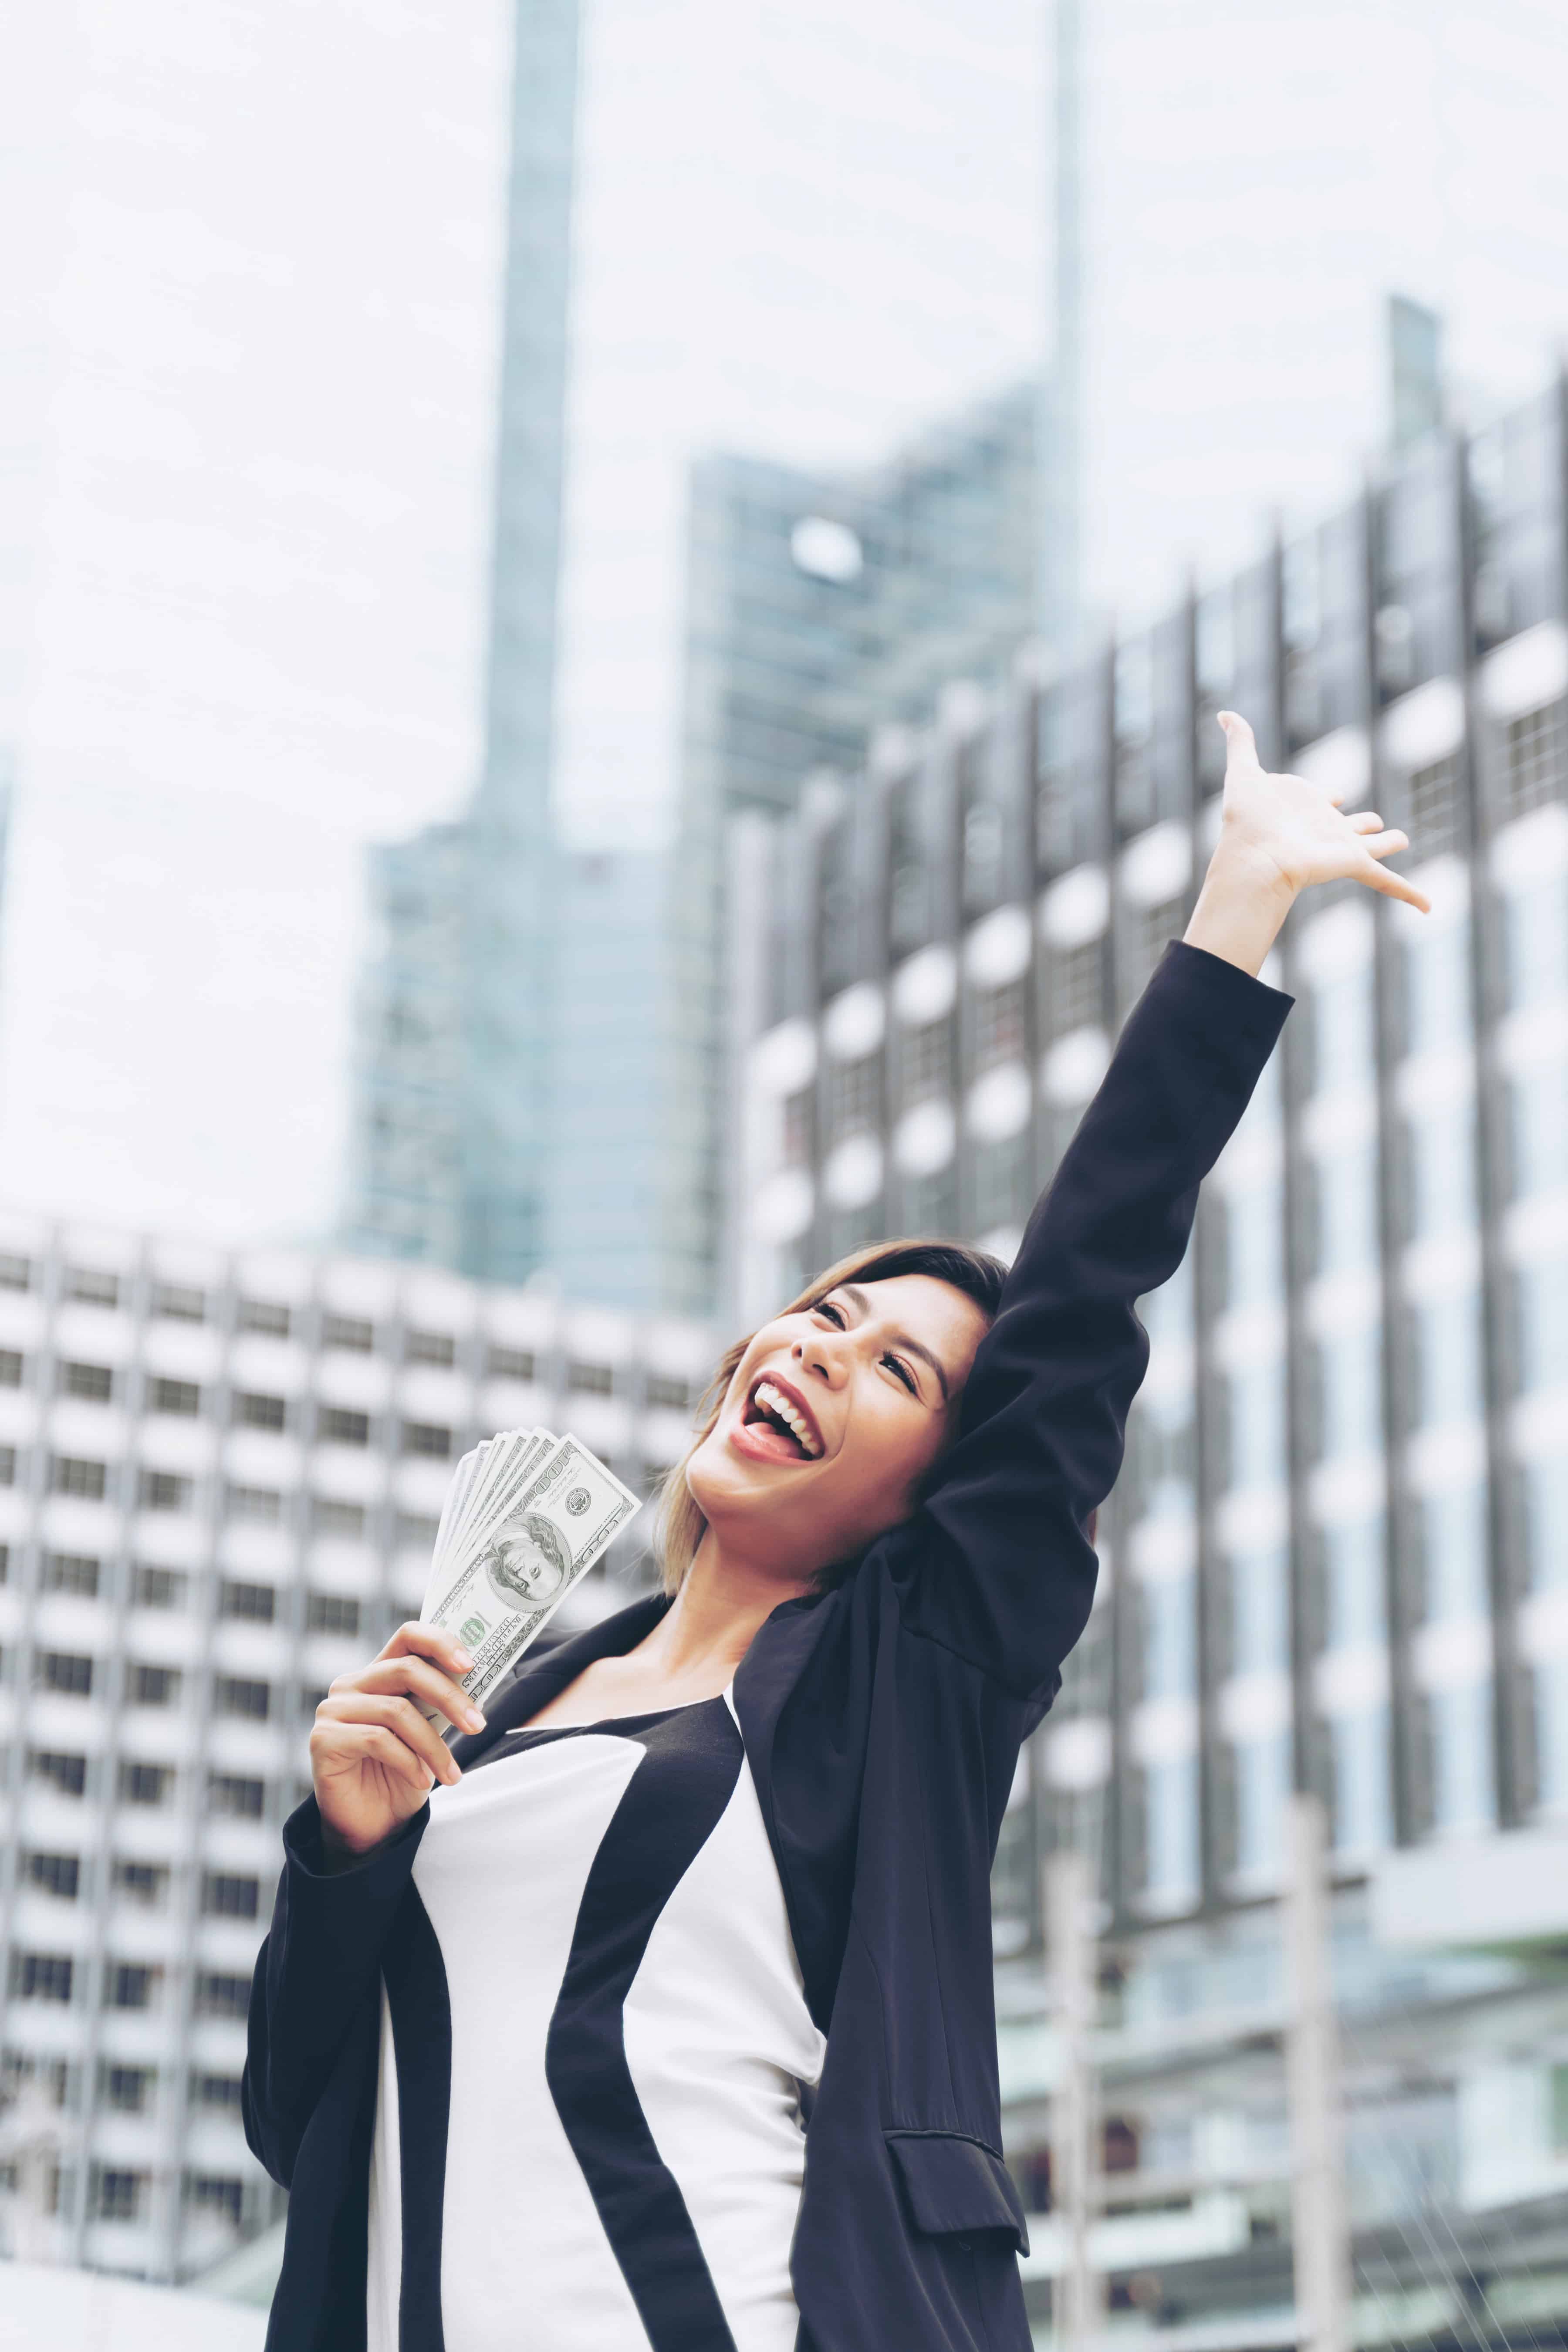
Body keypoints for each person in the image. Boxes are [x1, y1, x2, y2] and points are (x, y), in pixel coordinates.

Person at [243, 713, 1429, 2352]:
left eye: (896, 1371)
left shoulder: (900, 1682)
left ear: (937, 1497)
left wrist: (1236, 909)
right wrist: (348, 1854)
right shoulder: (497, 1713)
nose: (820, 1348)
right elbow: (296, 2110)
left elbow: (1082, 1301)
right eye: (826, 1313)